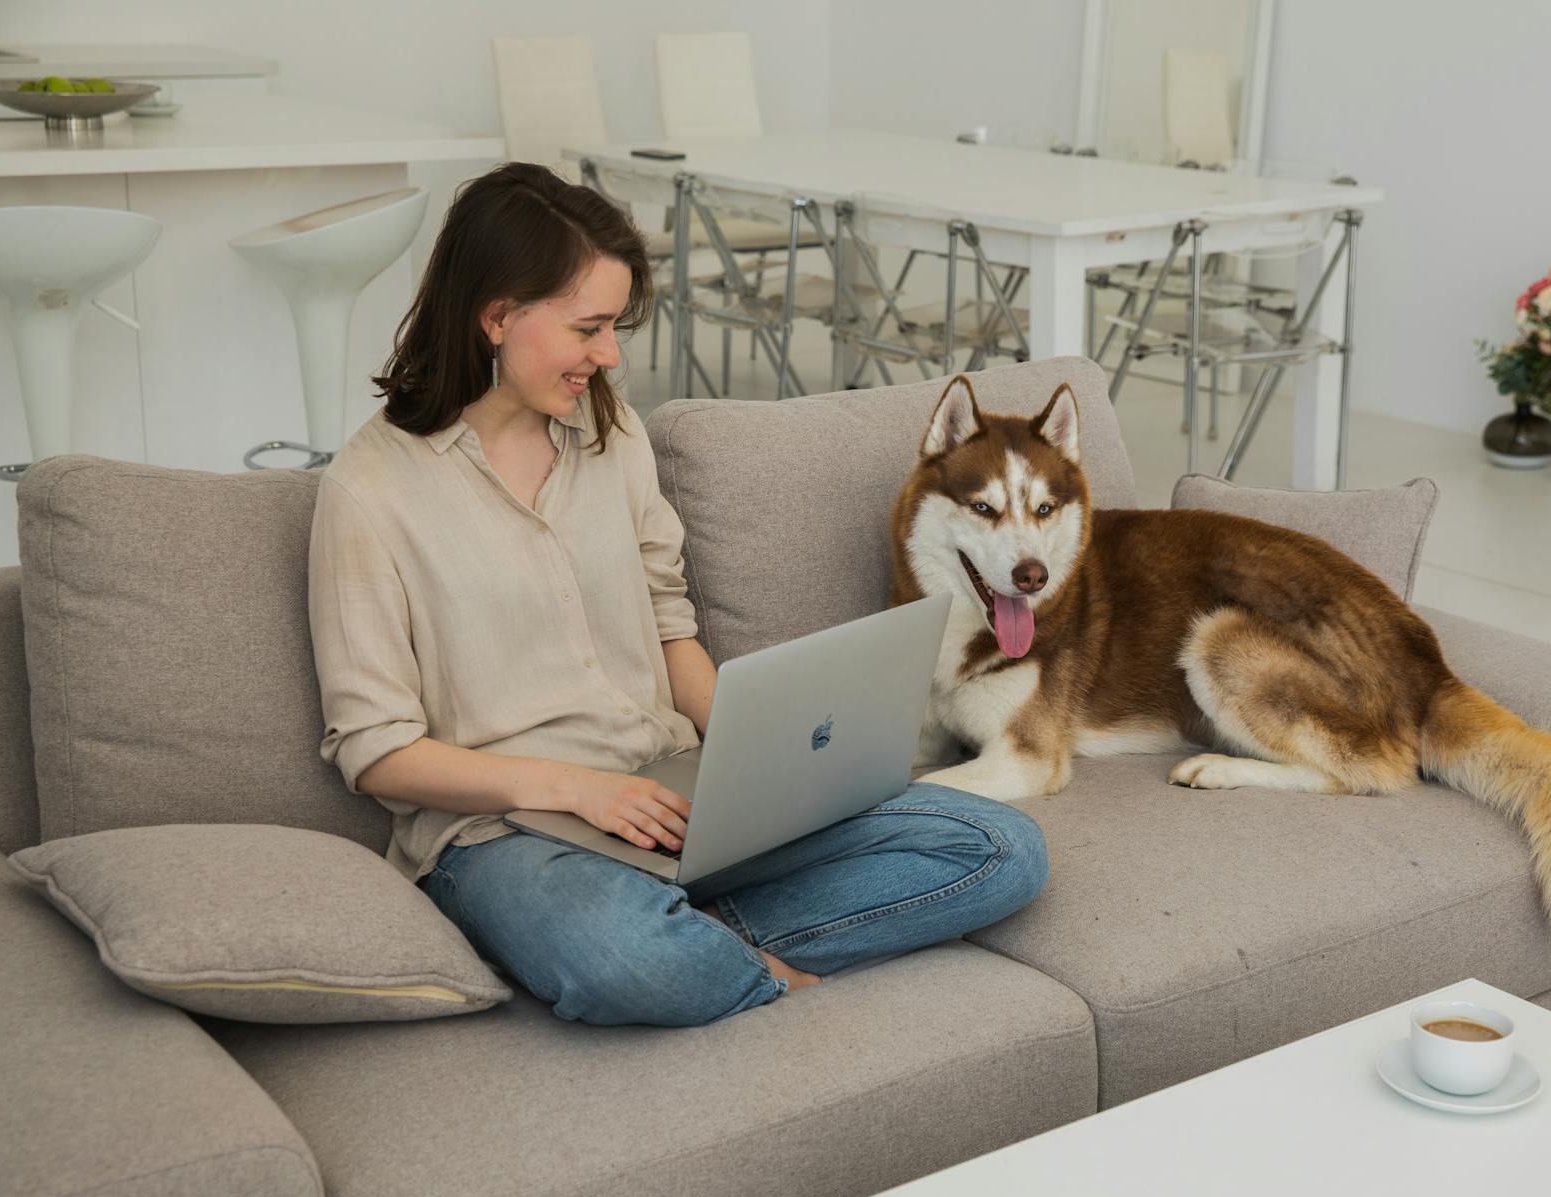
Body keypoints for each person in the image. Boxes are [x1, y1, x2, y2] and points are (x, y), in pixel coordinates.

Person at [306, 162, 1047, 1027]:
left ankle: (706, 949)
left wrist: (758, 747)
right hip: (509, 839)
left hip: (672, 791)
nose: (610, 355)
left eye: (616, 326)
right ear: (497, 315)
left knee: (1004, 848)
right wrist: (576, 790)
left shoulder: (608, 434)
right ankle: (715, 959)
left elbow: (668, 625)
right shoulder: (370, 491)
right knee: (626, 955)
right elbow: (376, 752)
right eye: (588, 328)